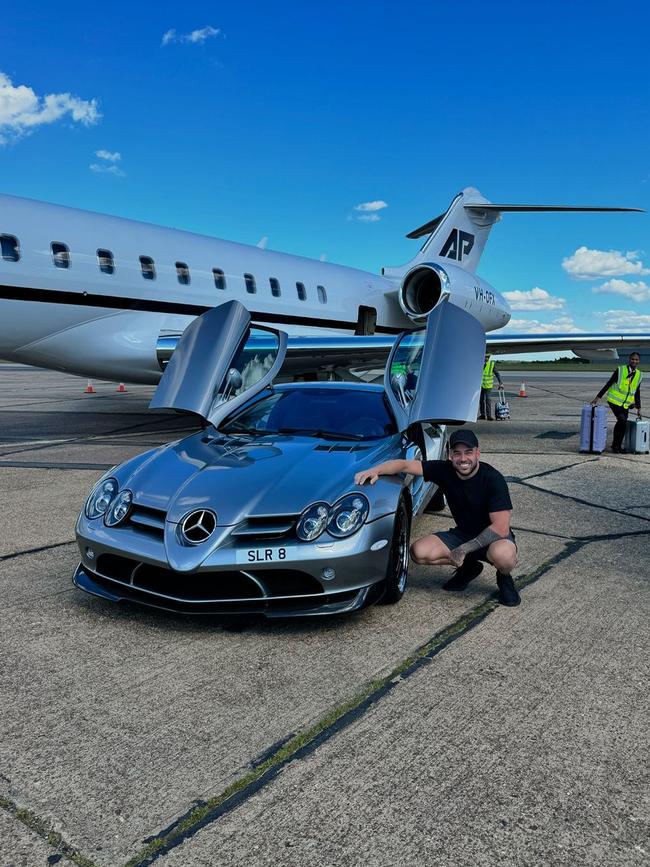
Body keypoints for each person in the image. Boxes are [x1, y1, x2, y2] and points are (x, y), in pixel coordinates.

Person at [354, 429, 520, 606]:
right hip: (463, 534)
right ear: (450, 455)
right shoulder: (444, 470)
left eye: (468, 452)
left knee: (504, 556)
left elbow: (500, 528)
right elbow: (404, 465)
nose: (463, 459)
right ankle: (470, 567)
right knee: (418, 552)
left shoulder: (493, 479)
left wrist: (463, 549)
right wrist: (375, 470)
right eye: (457, 453)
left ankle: (504, 578)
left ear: (477, 453)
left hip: (493, 538)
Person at [591, 352, 643, 453]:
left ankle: (617, 446)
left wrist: (639, 408)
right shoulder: (620, 370)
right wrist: (597, 398)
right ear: (629, 359)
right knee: (622, 420)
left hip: (625, 404)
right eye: (633, 359)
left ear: (639, 361)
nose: (634, 361)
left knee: (623, 423)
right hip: (614, 401)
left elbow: (637, 392)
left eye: (636, 360)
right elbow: (609, 384)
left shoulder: (639, 374)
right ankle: (615, 445)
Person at [479, 353, 503, 420]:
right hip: (481, 386)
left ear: (489, 357)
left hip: (488, 386)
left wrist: (501, 383)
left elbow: (497, 374)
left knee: (488, 400)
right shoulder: (479, 363)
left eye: (487, 357)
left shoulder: (492, 364)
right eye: (485, 356)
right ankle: (482, 415)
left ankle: (489, 416)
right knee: (481, 401)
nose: (486, 358)